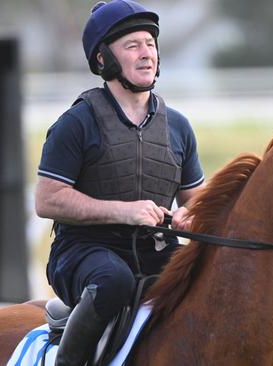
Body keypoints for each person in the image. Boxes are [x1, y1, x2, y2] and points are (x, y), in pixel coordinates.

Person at [35, 1, 205, 365]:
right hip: (83, 252)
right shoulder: (76, 123)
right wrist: (125, 212)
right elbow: (47, 200)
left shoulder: (178, 126)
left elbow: (197, 199)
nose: (147, 54)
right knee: (114, 278)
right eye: (133, 46)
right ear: (102, 60)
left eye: (150, 44)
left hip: (155, 251)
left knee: (212, 277)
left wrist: (191, 216)